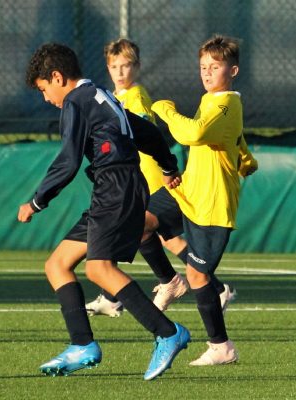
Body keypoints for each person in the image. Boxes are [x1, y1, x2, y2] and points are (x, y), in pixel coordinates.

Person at [18, 42, 190, 380]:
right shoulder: (101, 97)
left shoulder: (75, 103)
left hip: (117, 187)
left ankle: (168, 332)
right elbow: (147, 132)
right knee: (57, 264)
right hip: (116, 187)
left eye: (43, 89)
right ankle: (82, 345)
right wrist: (168, 165)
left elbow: (67, 161)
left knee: (99, 269)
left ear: (57, 76)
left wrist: (36, 201)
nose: (45, 98)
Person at [147, 35, 258, 365]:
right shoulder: (213, 101)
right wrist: (245, 156)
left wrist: (166, 109)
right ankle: (169, 282)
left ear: (233, 70)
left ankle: (221, 346)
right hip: (187, 191)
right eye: (203, 67)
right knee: (137, 220)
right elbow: (232, 138)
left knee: (198, 277)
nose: (207, 73)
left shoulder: (225, 104)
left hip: (211, 204)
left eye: (215, 66)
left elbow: (192, 134)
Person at [86, 38, 189, 317]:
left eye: (127, 65)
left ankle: (209, 287)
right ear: (107, 68)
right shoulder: (114, 96)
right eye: (114, 66)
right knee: (159, 236)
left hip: (149, 174)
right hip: (134, 174)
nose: (120, 72)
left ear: (138, 67)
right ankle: (112, 295)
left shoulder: (136, 95)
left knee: (136, 229)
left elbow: (140, 132)